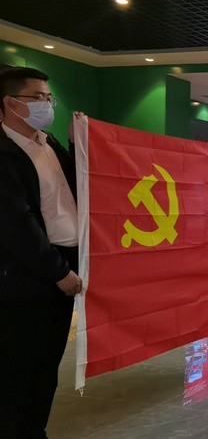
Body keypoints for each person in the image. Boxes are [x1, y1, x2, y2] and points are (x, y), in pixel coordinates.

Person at [0, 67, 83, 438]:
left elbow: (77, 192)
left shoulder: (48, 144)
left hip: (64, 265)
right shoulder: (5, 153)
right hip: (28, 275)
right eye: (38, 97)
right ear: (11, 102)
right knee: (19, 365)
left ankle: (35, 429)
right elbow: (15, 225)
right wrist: (57, 272)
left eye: (50, 98)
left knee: (47, 362)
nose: (47, 104)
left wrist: (78, 144)